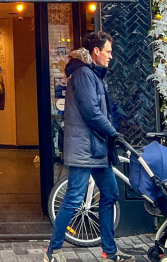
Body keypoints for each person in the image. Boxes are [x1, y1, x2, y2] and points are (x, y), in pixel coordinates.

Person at [45, 32, 133, 262]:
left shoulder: (91, 74)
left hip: (96, 148)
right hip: (85, 149)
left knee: (111, 194)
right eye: (108, 51)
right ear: (96, 52)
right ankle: (52, 251)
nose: (111, 56)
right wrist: (113, 132)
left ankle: (109, 252)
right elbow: (91, 112)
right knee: (74, 198)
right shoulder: (84, 74)